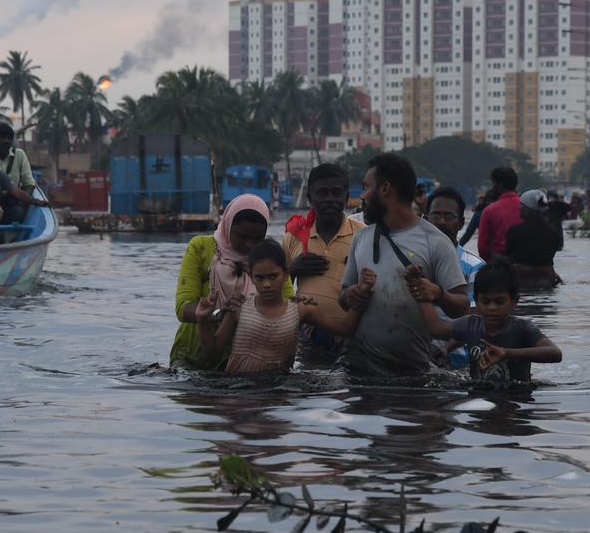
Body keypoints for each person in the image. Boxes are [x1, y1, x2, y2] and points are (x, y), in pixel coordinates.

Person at [338, 153, 469, 375]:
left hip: (412, 373)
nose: (362, 195)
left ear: (385, 189)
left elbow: (462, 306)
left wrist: (437, 293)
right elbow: (342, 296)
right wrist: (351, 295)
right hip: (358, 371)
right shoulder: (361, 238)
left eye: (366, 187)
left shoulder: (435, 242)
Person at [196, 239, 377, 374]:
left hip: (279, 392)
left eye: (273, 276)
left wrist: (361, 293)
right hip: (238, 395)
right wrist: (202, 319)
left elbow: (345, 328)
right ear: (251, 276)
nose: (266, 284)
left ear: (286, 274)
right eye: (260, 278)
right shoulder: (239, 308)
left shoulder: (300, 309)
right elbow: (211, 352)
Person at [170, 195, 293, 370]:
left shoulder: (270, 257)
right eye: (242, 237)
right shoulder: (201, 248)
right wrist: (217, 314)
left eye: (257, 239)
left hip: (249, 362)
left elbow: (287, 305)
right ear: (228, 226)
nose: (249, 245)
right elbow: (183, 307)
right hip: (193, 356)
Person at [417, 258, 562, 387]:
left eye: (499, 301)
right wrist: (420, 290)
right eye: (485, 301)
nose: (492, 308)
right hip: (478, 404)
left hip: (516, 403)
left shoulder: (522, 328)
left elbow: (555, 353)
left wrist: (507, 353)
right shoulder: (470, 325)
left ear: (514, 301)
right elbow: (436, 327)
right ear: (477, 301)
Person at [282, 163, 363, 364]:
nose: (329, 199)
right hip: (305, 339)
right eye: (322, 193)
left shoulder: (363, 234)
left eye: (336, 193)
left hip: (351, 338)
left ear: (346, 197)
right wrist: (292, 269)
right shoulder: (293, 237)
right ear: (310, 198)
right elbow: (274, 287)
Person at [426, 186, 485, 369]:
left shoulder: (475, 266)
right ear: (425, 220)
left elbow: (478, 320)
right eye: (435, 215)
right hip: (417, 359)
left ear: (461, 223)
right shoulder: (412, 262)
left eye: (449, 216)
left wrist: (445, 349)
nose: (441, 222)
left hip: (460, 365)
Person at [505, 189, 563, 288]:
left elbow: (508, 255)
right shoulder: (553, 232)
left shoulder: (515, 231)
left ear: (529, 208)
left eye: (521, 205)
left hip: (522, 281)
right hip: (547, 281)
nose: (519, 208)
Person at [0, 123, 37, 224]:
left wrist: (24, 198)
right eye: (2, 137)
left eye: (9, 138)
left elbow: (29, 183)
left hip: (12, 202)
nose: (6, 141)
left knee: (18, 212)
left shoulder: (19, 155)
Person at [477, 166, 522, 261]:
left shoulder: (489, 211)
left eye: (493, 184)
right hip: (523, 264)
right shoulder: (527, 208)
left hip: (498, 266)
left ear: (500, 185)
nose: (492, 187)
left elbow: (482, 248)